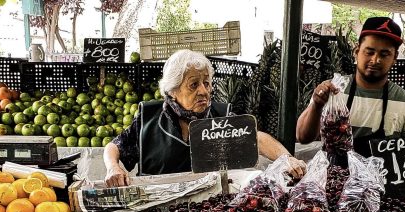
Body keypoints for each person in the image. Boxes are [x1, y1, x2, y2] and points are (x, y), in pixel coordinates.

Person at [104, 49, 304, 186]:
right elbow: (115, 146)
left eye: (206, 83)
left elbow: (256, 138)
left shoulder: (220, 115)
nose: (203, 91)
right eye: (194, 85)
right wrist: (113, 167)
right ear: (173, 90)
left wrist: (287, 159)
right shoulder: (149, 118)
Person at [296, 16, 405, 155]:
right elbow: (303, 137)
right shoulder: (334, 91)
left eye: (384, 54)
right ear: (356, 52)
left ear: (394, 58)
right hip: (336, 175)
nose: (375, 60)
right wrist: (317, 105)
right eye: (369, 52)